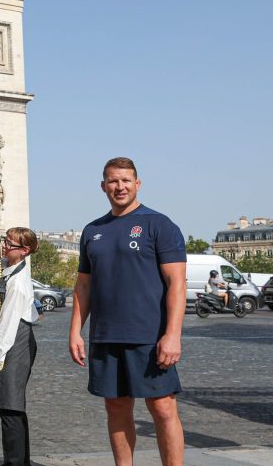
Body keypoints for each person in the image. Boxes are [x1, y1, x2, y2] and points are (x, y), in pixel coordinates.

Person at [69, 157, 187, 466]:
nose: (119, 186)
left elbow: (177, 283)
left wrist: (172, 335)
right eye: (112, 181)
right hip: (106, 335)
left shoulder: (158, 224)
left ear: (137, 184)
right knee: (116, 408)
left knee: (162, 408)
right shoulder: (92, 230)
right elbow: (83, 286)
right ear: (103, 186)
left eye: (125, 180)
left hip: (150, 335)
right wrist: (75, 332)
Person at [0, 227, 39, 466]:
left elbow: (7, 323)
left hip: (16, 341)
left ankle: (14, 463)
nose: (4, 246)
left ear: (24, 251)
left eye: (10, 244)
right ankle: (20, 462)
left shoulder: (17, 282)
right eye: (4, 241)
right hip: (19, 339)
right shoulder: (15, 270)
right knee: (12, 405)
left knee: (10, 406)